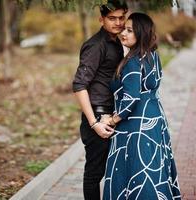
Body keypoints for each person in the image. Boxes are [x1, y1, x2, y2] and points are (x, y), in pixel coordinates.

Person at [102, 12, 181, 199]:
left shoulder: (132, 62)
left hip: (135, 126)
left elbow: (131, 98)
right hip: (155, 120)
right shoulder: (153, 56)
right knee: (153, 171)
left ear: (142, 33)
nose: (124, 33)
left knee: (138, 175)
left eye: (130, 30)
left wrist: (112, 119)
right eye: (124, 29)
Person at [72, 1, 128, 199]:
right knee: (94, 174)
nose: (118, 22)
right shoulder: (96, 45)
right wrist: (94, 122)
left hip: (110, 113)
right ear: (101, 19)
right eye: (112, 18)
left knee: (109, 171)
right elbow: (79, 85)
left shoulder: (116, 42)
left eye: (121, 18)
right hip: (97, 116)